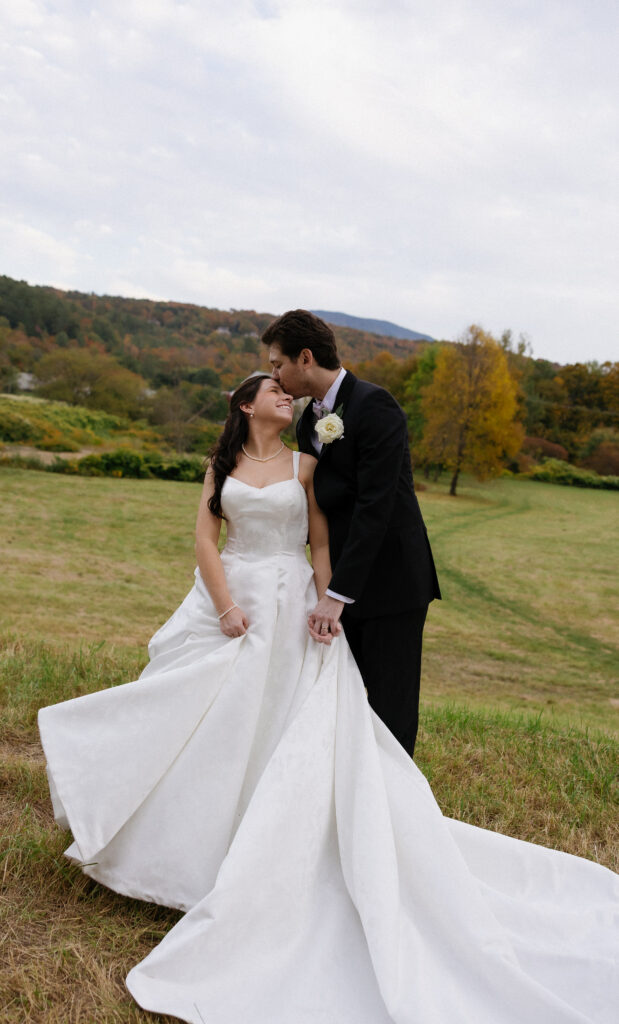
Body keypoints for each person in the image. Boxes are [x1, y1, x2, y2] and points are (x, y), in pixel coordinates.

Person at [38, 374, 618, 1024]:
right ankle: (165, 835)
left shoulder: (303, 462)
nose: (285, 397)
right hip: (232, 601)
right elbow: (205, 539)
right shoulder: (219, 464)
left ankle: (271, 851)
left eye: (289, 389)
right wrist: (225, 606)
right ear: (243, 404)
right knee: (204, 714)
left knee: (287, 722)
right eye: (272, 391)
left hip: (291, 600)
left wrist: (326, 603)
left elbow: (317, 539)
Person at [262, 309, 440, 756]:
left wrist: (337, 594)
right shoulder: (307, 424)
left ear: (305, 358)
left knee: (389, 710)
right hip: (339, 582)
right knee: (344, 703)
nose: (275, 376)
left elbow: (374, 508)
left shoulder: (376, 405)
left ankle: (396, 814)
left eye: (277, 364)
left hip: (391, 583)